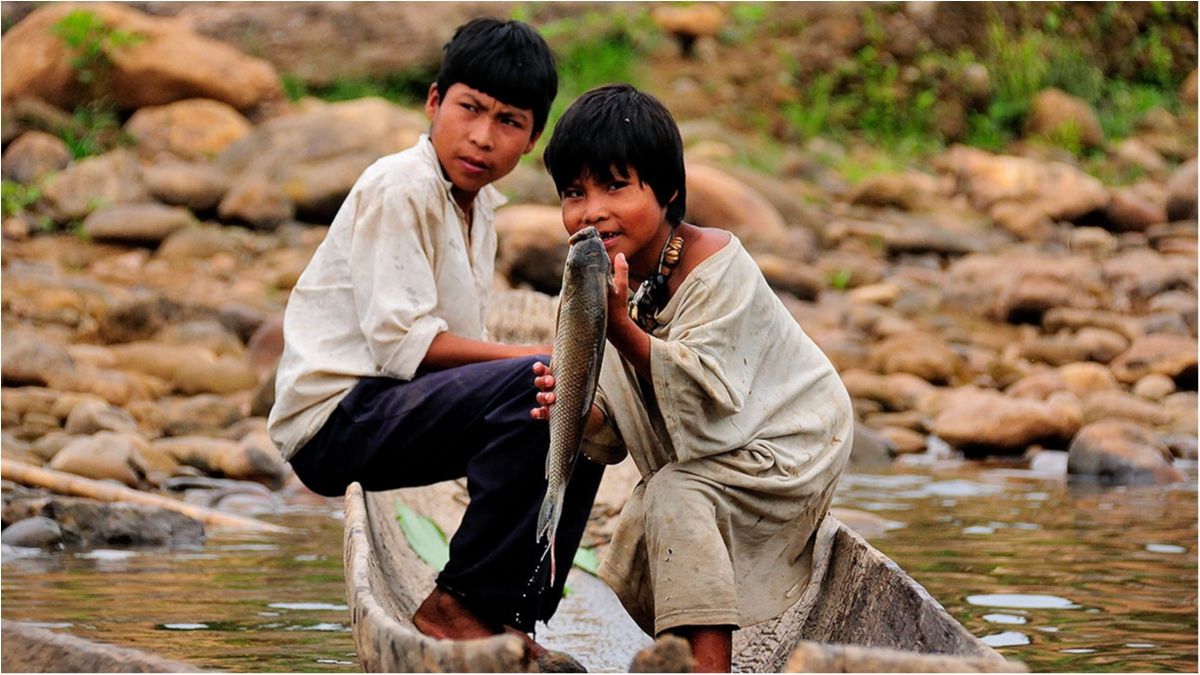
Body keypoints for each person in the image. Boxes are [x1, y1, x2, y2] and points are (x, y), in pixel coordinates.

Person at [266, 18, 603, 667]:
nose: (482, 136)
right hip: (335, 420)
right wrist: (547, 361)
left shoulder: (478, 207)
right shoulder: (404, 185)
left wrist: (565, 375)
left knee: (584, 414)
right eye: (469, 108)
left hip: (391, 406)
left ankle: (506, 608)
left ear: (531, 138)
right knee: (547, 381)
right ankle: (457, 602)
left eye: (508, 121)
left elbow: (448, 354)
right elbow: (405, 347)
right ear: (433, 102)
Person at [533, 84, 854, 672]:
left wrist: (620, 330)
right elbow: (610, 421)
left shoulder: (715, 266)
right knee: (652, 500)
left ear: (669, 192)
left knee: (677, 494)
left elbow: (704, 399)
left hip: (789, 445)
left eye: (614, 186)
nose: (591, 210)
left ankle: (709, 667)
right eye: (573, 193)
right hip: (717, 450)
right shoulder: (594, 274)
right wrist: (575, 408)